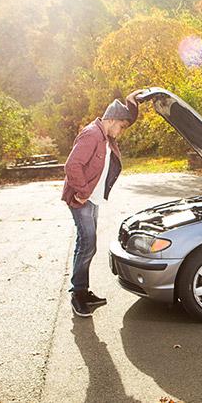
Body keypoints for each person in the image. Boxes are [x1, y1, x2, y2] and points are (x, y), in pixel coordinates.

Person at [61, 89, 142, 317]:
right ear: (112, 120)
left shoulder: (106, 136)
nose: (122, 132)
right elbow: (72, 166)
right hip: (82, 200)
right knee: (88, 244)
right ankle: (78, 295)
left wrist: (133, 102)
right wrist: (83, 192)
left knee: (85, 244)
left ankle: (82, 290)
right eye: (122, 127)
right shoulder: (92, 135)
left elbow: (127, 117)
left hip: (92, 200)